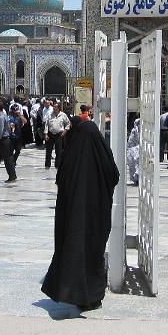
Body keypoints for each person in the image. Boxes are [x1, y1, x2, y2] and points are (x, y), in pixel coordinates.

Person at [41, 118, 119, 311]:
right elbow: (114, 175)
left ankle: (75, 294)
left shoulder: (71, 157)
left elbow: (61, 180)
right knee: (93, 253)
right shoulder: (102, 153)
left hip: (73, 218)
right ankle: (93, 297)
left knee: (74, 251)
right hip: (97, 216)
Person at [45, 102, 70, 168]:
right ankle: (47, 165)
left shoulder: (63, 115)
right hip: (50, 134)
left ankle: (57, 165)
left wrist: (65, 131)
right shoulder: (50, 115)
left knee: (58, 151)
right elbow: (46, 125)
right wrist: (46, 134)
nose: (54, 108)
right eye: (53, 107)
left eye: (55, 107)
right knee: (48, 150)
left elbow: (68, 123)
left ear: (58, 108)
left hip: (59, 134)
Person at [125, 118, 141, 185]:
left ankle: (137, 177)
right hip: (133, 149)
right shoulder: (134, 130)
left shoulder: (139, 130)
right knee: (133, 165)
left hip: (137, 149)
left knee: (137, 164)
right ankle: (135, 179)